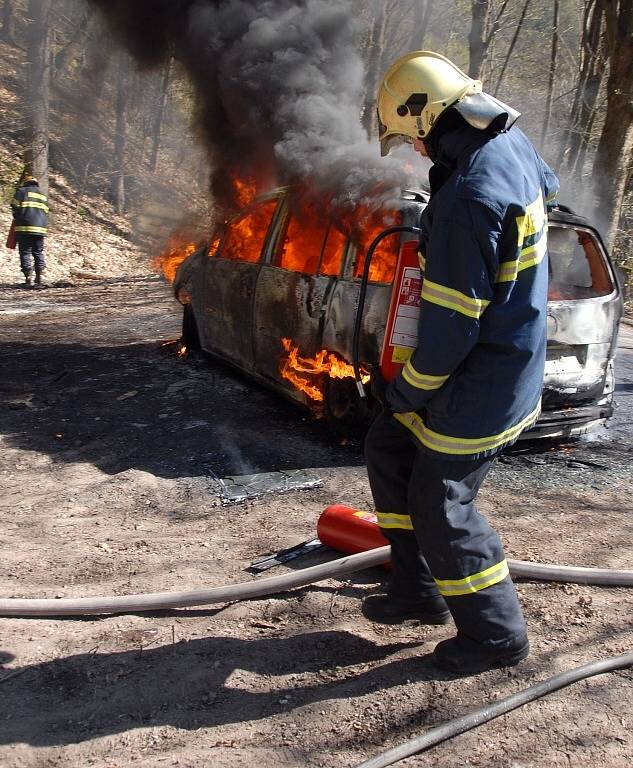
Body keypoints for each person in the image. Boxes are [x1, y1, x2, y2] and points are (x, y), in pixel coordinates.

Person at [364, 51, 559, 674]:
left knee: (441, 500)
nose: (414, 152)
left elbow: (450, 332)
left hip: (484, 377)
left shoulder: (469, 195)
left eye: (411, 139)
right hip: (504, 356)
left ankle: (497, 635)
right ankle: (417, 589)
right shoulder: (511, 145)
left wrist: (407, 392)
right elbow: (546, 187)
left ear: (428, 120)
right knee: (388, 448)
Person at [10, 175, 49, 287]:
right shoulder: (42, 195)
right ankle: (39, 277)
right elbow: (46, 211)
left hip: (24, 227)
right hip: (40, 228)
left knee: (25, 251)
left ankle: (28, 278)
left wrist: (17, 217)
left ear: (25, 183)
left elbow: (14, 205)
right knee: (38, 251)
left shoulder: (21, 191)